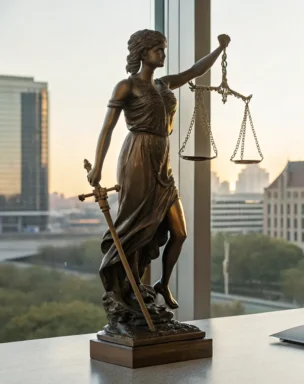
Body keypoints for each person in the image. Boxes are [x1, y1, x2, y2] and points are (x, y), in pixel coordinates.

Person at [87, 30, 230, 315]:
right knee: (137, 225)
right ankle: (127, 287)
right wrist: (98, 168)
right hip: (137, 156)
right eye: (158, 50)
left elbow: (194, 71)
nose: (163, 55)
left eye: (164, 50)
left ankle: (163, 283)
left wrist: (220, 49)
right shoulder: (126, 87)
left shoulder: (165, 85)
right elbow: (107, 129)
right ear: (143, 52)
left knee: (179, 231)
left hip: (162, 159)